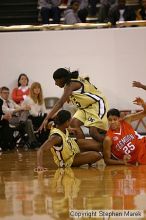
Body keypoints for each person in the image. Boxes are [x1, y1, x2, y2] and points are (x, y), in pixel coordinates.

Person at [40, 68, 109, 142]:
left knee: (93, 132)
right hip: (85, 107)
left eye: (56, 81)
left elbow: (60, 103)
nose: (55, 83)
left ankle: (112, 146)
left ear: (62, 79)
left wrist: (46, 119)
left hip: (97, 104)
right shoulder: (71, 81)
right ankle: (84, 148)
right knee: (74, 123)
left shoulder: (70, 85)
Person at [36, 110, 102, 171]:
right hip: (67, 160)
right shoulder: (56, 137)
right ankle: (86, 160)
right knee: (97, 155)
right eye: (70, 120)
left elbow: (50, 124)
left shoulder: (56, 125)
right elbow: (40, 150)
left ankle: (86, 158)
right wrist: (39, 166)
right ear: (67, 121)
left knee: (97, 146)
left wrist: (70, 130)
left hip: (72, 148)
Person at [103, 97, 146, 165]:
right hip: (135, 158)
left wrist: (143, 104)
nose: (112, 122)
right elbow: (107, 160)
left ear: (119, 119)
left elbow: (144, 113)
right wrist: (121, 162)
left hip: (143, 145)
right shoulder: (108, 139)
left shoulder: (126, 121)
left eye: (115, 119)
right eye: (110, 120)